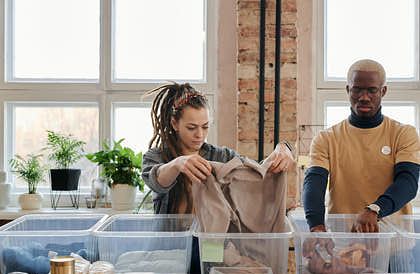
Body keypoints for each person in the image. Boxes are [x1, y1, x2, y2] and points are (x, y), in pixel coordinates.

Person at [302, 59, 420, 235]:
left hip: (395, 246)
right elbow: (314, 183)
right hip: (344, 242)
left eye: (372, 90)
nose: (364, 97)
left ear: (383, 91)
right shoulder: (326, 138)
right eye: (357, 90)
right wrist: (316, 226)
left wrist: (374, 210)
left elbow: (408, 183)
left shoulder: (403, 134)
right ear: (348, 90)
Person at [142, 82, 294, 216]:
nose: (199, 135)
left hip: (213, 242)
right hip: (173, 244)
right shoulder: (157, 156)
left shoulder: (222, 156)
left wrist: (283, 148)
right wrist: (177, 164)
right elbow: (157, 181)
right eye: (191, 127)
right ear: (175, 124)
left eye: (205, 127)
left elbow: (255, 174)